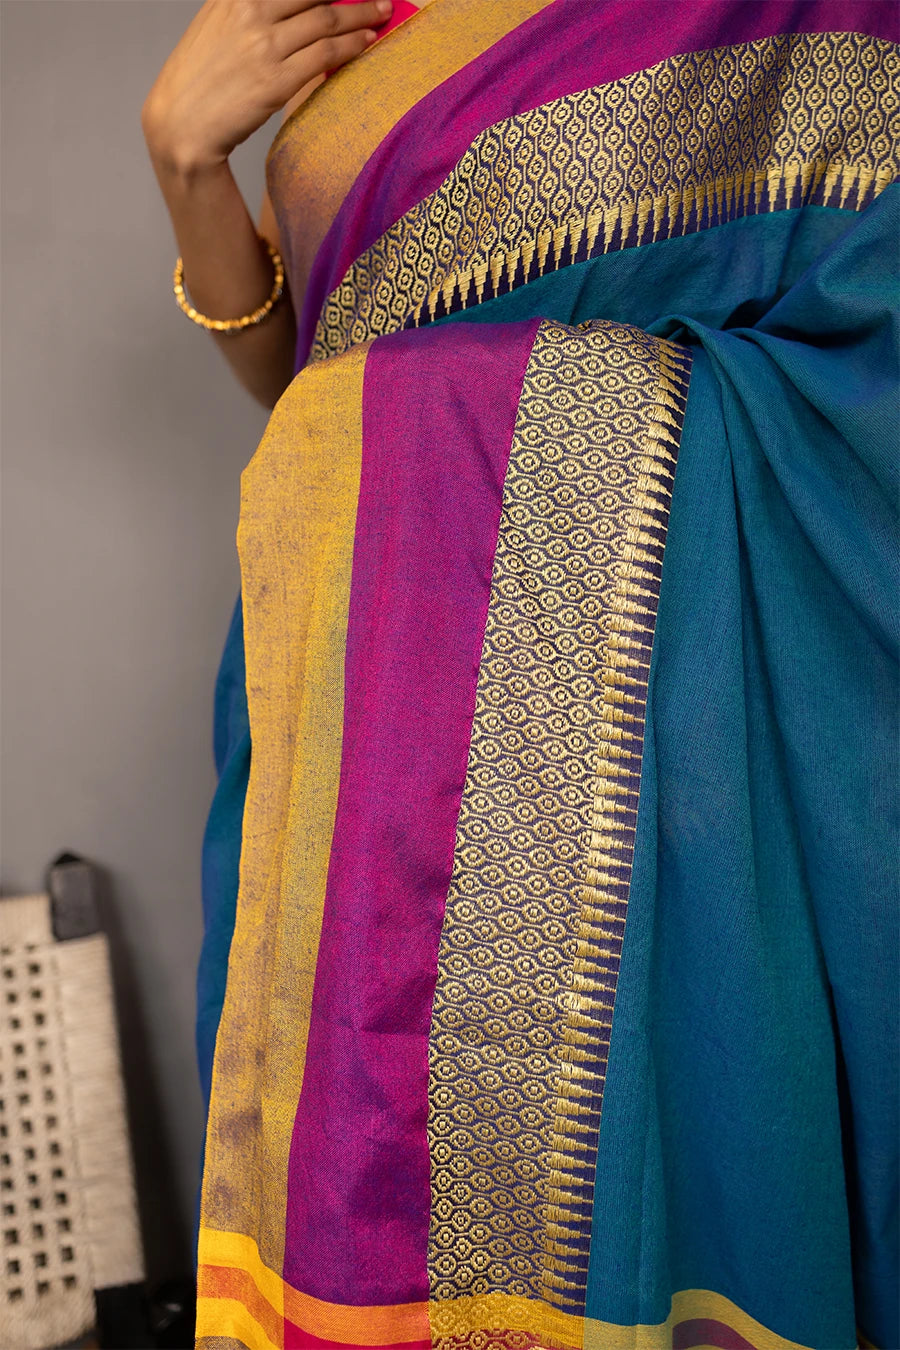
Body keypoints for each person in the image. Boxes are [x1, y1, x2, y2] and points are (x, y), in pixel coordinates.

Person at [144, 3, 898, 1348]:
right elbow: (327, 370)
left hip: (691, 728)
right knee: (370, 1163)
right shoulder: (347, 16)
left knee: (691, 1147)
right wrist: (187, 164)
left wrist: (448, 422)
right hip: (374, 714)